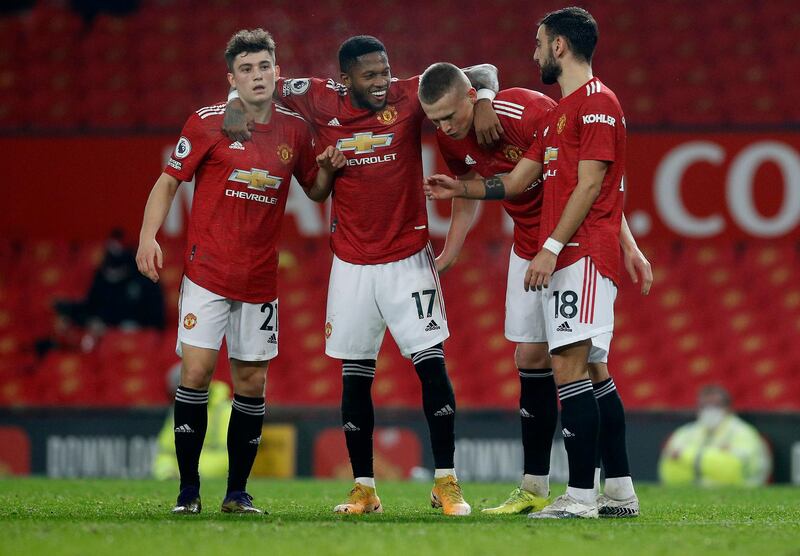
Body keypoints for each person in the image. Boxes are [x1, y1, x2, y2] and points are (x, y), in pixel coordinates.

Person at [224, 35, 502, 516]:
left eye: (385, 71)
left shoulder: (409, 94)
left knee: (431, 366)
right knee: (355, 377)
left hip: (408, 258)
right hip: (350, 264)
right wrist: (232, 100)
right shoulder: (317, 96)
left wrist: (486, 102)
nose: (381, 82)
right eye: (370, 75)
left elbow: (483, 69)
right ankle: (363, 487)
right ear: (346, 76)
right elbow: (262, 83)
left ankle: (446, 482)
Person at [424, 7, 635, 519]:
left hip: (572, 246)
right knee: (538, 361)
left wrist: (567, 246)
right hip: (540, 245)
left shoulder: (592, 104)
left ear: (558, 46)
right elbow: (516, 183)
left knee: (578, 364)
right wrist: (462, 188)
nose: (533, 51)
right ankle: (578, 489)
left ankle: (589, 496)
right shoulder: (566, 112)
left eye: (539, 42)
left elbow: (594, 184)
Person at [136, 28, 345, 515]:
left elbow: (314, 191)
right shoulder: (208, 123)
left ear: (277, 71)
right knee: (197, 372)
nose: (257, 76)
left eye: (264, 67)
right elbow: (168, 182)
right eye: (246, 69)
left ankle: (236, 493)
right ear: (232, 78)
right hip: (207, 274)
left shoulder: (295, 131)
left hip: (259, 281)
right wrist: (148, 236)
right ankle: (188, 492)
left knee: (251, 385)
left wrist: (330, 169)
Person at [659, 385, 772, 486]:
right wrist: (717, 457)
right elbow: (668, 469)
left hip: (738, 495)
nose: (710, 410)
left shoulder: (743, 432)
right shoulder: (685, 432)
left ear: (728, 408)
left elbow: (735, 470)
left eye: (716, 405)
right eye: (704, 405)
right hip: (690, 494)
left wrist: (685, 456)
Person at [153, 364, 230, 482]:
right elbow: (165, 453)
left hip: (217, 483)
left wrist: (189, 473)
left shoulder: (225, 411)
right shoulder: (177, 413)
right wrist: (167, 473)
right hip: (181, 479)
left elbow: (230, 458)